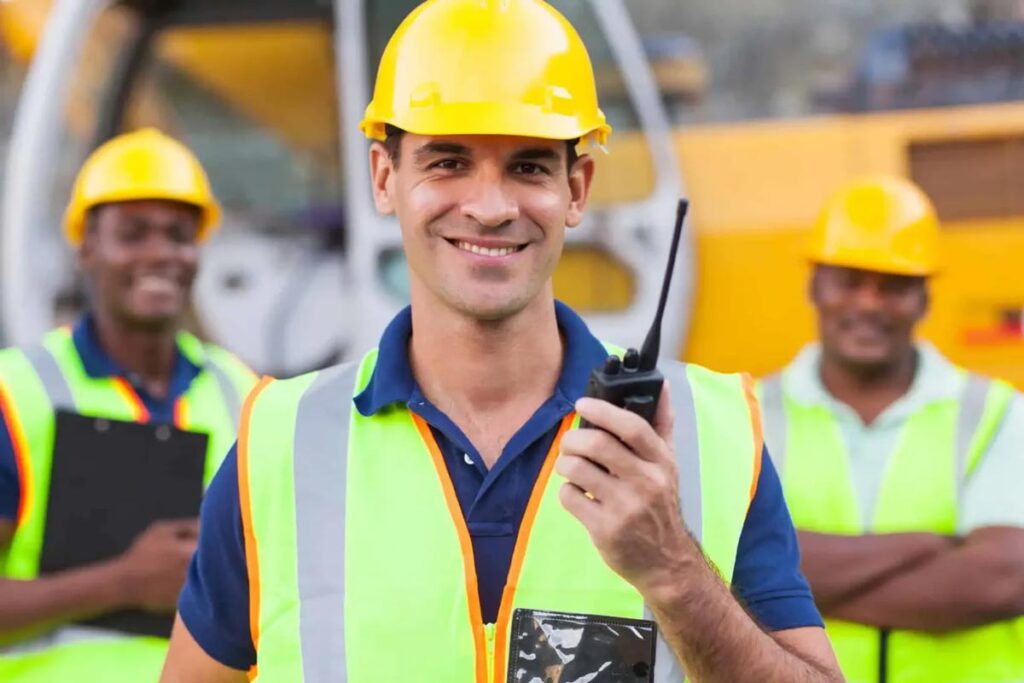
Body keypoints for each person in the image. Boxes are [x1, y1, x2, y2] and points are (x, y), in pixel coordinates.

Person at [161, 1, 842, 681]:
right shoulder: (277, 447)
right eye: (449, 161)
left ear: (577, 189)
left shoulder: (709, 433)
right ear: (383, 177)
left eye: (528, 167)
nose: (490, 207)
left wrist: (673, 571)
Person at [0, 128, 256, 681]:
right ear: (87, 247)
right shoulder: (15, 394)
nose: (160, 253)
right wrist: (126, 582)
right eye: (133, 234)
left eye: (178, 235)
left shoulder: (242, 393)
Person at [760, 175, 1024, 683]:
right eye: (849, 280)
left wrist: (784, 585)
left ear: (924, 298)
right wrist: (928, 546)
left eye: (894, 286)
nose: (868, 304)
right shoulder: (746, 415)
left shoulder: (996, 414)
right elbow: (723, 568)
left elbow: (1004, 580)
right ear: (815, 285)